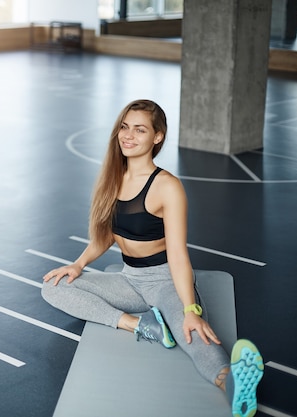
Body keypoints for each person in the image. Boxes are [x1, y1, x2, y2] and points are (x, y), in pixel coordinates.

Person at [41, 99, 264, 417]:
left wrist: (190, 309)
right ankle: (140, 325)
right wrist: (78, 265)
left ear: (157, 137)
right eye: (124, 126)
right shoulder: (112, 177)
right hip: (128, 280)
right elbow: (106, 236)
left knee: (193, 335)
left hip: (164, 281)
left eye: (139, 129)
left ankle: (233, 386)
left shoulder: (167, 187)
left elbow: (177, 254)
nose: (128, 135)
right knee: (53, 286)